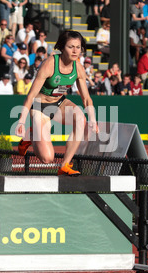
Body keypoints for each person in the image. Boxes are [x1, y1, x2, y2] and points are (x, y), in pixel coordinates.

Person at [15, 30, 98, 176]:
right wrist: (21, 121)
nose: (74, 51)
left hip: (59, 103)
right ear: (61, 47)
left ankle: (65, 165)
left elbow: (86, 98)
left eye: (78, 47)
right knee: (47, 158)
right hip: (40, 107)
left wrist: (93, 119)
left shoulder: (78, 68)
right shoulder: (50, 64)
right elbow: (30, 96)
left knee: (80, 118)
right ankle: (30, 135)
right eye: (70, 47)